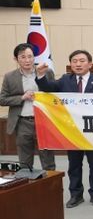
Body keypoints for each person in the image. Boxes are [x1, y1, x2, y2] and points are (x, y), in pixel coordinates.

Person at [35, 50, 93, 208]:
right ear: (71, 64)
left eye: (82, 61)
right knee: (74, 164)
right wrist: (41, 75)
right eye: (74, 61)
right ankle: (76, 194)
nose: (78, 64)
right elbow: (48, 89)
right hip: (71, 130)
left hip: (92, 130)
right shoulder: (66, 79)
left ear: (90, 64)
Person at [0, 43, 55, 171]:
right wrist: (22, 97)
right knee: (25, 162)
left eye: (30, 56)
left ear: (34, 57)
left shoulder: (47, 72)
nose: (27, 60)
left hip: (44, 121)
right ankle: (27, 182)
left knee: (48, 160)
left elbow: (54, 93)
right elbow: (2, 99)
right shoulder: (10, 77)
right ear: (16, 59)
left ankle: (51, 183)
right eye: (23, 57)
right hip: (22, 122)